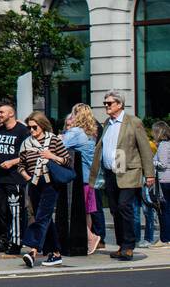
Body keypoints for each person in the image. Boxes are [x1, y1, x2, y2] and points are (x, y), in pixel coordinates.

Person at [92, 91, 155, 262]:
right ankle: (121, 245)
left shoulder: (133, 122)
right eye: (105, 103)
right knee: (114, 209)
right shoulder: (107, 123)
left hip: (129, 172)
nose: (106, 106)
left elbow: (145, 149)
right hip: (111, 172)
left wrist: (149, 174)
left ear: (119, 104)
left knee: (124, 206)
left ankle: (128, 246)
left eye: (109, 103)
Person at [18, 112, 72, 268]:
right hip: (33, 183)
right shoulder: (26, 143)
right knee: (45, 218)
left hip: (50, 184)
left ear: (42, 125)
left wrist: (52, 156)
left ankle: (33, 251)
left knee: (42, 217)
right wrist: (27, 177)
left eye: (34, 127)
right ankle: (55, 253)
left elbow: (67, 161)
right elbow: (21, 165)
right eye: (29, 127)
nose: (31, 130)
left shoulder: (53, 140)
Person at [0, 100, 30, 254]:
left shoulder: (23, 131)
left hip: (15, 177)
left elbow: (28, 154)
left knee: (15, 211)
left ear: (11, 113)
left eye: (1, 112)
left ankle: (16, 242)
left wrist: (12, 162)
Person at [62, 104, 101, 254]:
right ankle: (86, 240)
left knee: (77, 211)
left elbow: (60, 146)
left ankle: (91, 237)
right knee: (87, 211)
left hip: (79, 179)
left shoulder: (76, 132)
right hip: (90, 177)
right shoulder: (91, 132)